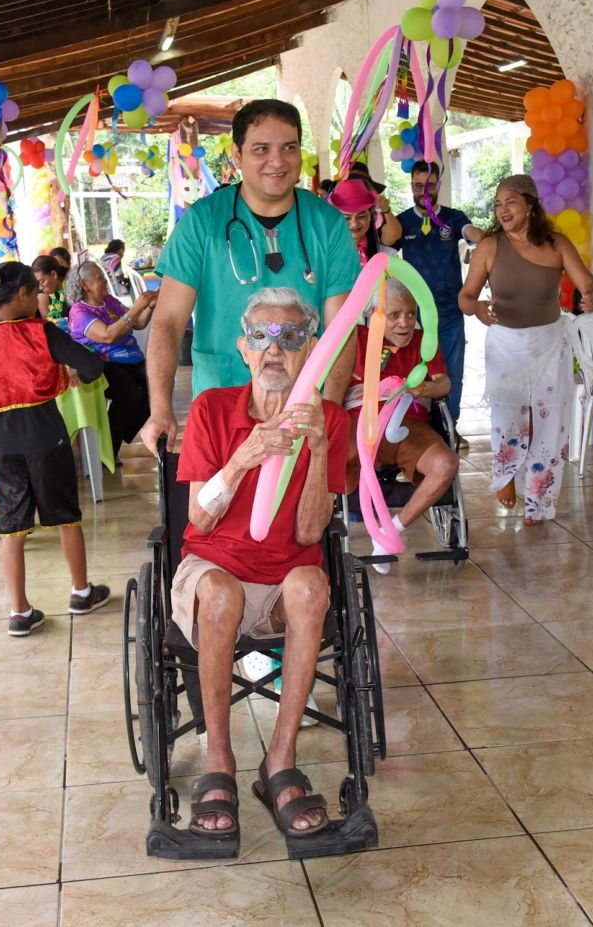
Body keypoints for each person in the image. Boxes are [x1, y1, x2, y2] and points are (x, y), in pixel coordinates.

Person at [171, 286, 348, 840]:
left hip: (280, 585)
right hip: (211, 574)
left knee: (311, 587)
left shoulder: (330, 421)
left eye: (291, 337)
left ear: (311, 347)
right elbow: (199, 519)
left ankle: (279, 761)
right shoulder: (211, 409)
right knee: (222, 593)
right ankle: (218, 761)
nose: (275, 349)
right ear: (244, 349)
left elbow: (308, 531)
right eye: (261, 337)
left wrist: (317, 449)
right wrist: (244, 458)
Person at [141, 98, 361, 454]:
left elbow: (341, 331)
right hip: (222, 404)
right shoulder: (202, 222)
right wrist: (161, 409)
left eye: (289, 148)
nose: (277, 161)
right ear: (237, 155)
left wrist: (327, 412)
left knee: (301, 510)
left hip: (301, 407)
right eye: (261, 149)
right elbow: (167, 321)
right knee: (216, 506)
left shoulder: (329, 225)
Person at [0, 262, 111, 636]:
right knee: (65, 516)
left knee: (12, 529)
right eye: (34, 290)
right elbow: (91, 366)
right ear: (21, 294)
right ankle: (81, 592)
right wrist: (66, 374)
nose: (40, 295)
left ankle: (19, 612)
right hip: (47, 439)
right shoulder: (43, 332)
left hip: (3, 445)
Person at [458, 174, 593, 524]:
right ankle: (505, 476)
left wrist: (590, 294)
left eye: (510, 202)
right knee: (507, 415)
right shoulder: (489, 246)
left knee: (551, 420)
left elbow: (587, 282)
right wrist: (477, 309)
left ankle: (540, 498)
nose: (502, 209)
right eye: (497, 204)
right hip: (505, 344)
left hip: (551, 342)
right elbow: (466, 297)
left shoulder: (557, 244)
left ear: (530, 205)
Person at [344, 278, 459, 572]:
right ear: (373, 316)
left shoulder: (423, 343)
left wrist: (423, 390)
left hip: (408, 425)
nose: (405, 322)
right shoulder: (355, 338)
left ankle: (392, 530)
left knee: (446, 465)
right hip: (358, 424)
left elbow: (443, 382)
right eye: (394, 315)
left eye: (411, 313)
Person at [382, 160, 484, 435]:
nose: (423, 192)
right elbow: (385, 251)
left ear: (438, 185)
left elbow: (470, 233)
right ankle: (419, 427)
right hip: (414, 316)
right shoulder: (402, 222)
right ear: (411, 186)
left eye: (429, 185)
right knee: (417, 373)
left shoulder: (453, 217)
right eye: (417, 186)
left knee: (452, 374)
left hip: (450, 312)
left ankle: (450, 429)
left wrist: (485, 240)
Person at [65, 261, 155, 459]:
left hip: (133, 358)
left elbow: (138, 323)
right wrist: (136, 308)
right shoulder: (79, 312)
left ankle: (115, 437)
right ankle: (108, 450)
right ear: (84, 285)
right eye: (99, 278)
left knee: (159, 385)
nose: (105, 282)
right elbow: (107, 336)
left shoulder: (109, 301)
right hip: (105, 363)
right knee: (129, 393)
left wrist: (149, 306)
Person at [32, 254, 69, 322]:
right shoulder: (42, 296)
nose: (40, 287)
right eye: (38, 283)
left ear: (54, 274)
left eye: (42, 281)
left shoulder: (70, 284)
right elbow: (51, 324)